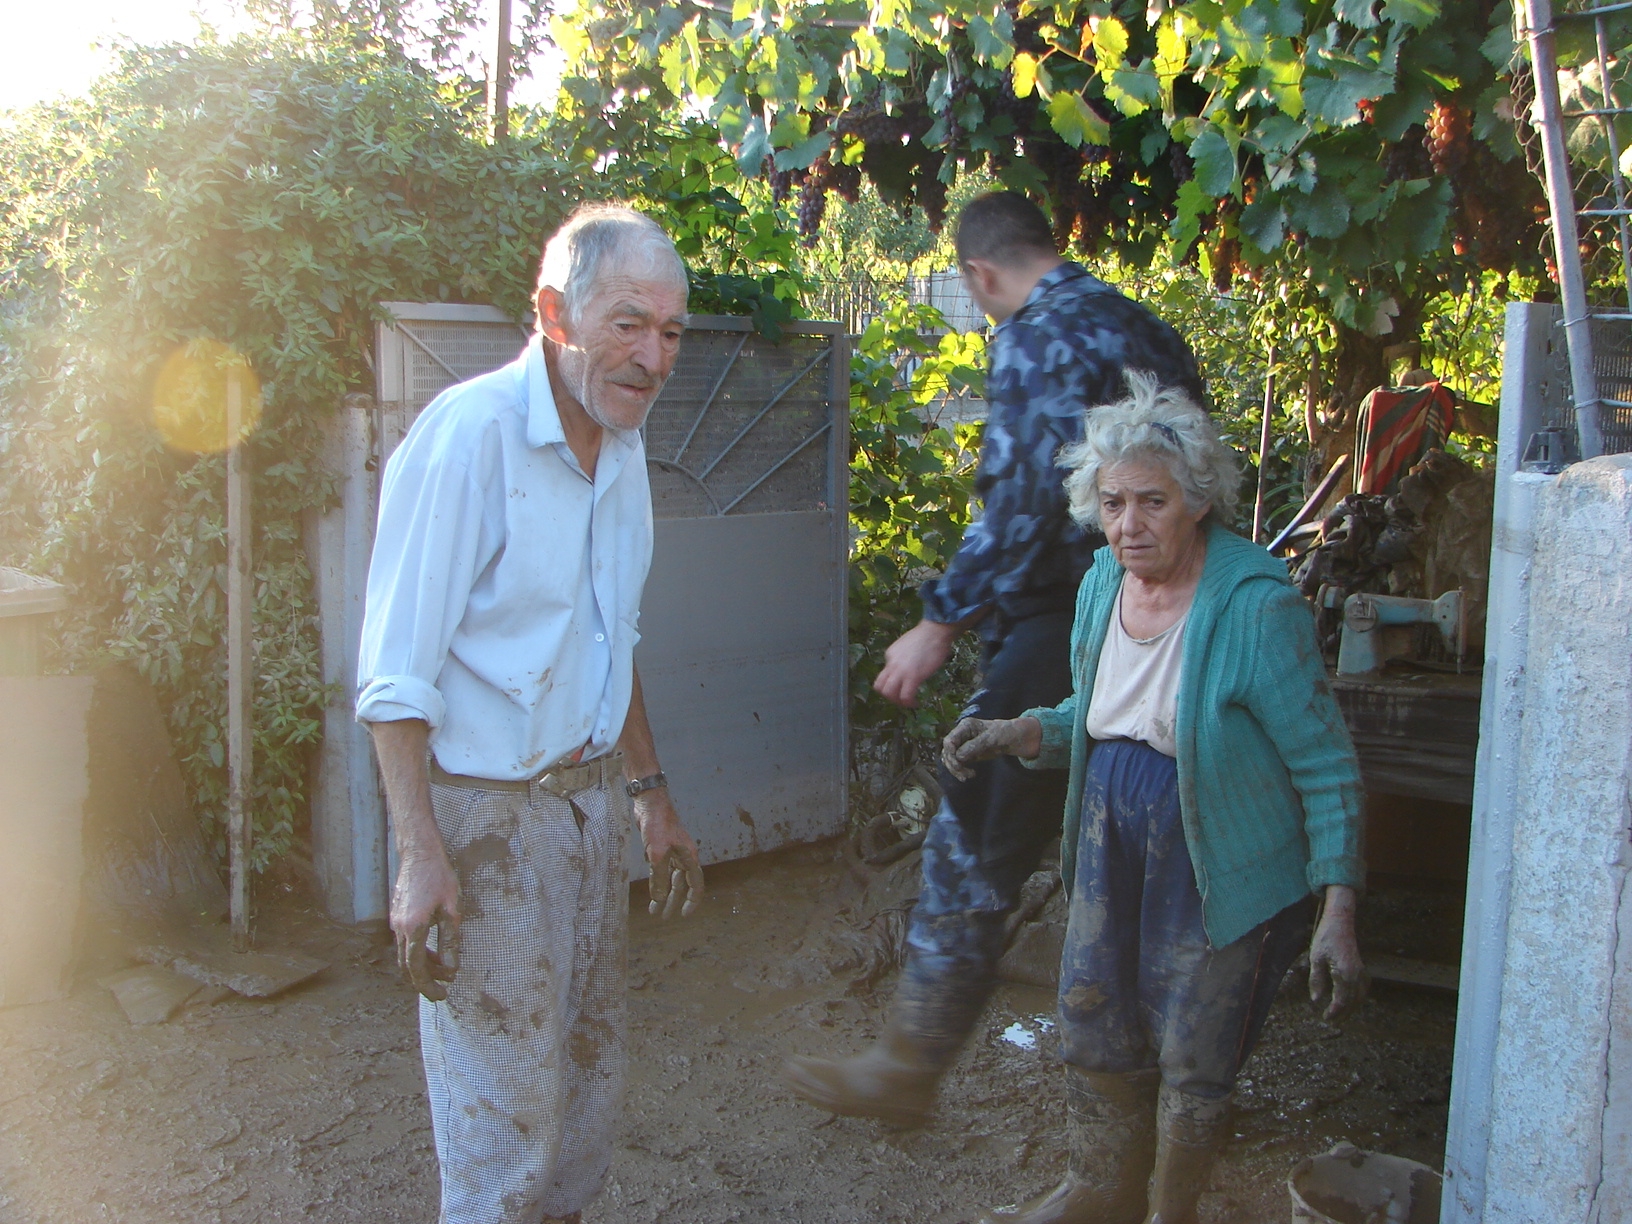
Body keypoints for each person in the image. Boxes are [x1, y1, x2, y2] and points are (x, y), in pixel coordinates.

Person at [784, 192, 1204, 1128]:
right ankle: (1176, 1098)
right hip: (1176, 623)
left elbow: (1021, 505)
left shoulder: (1034, 337)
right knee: (1142, 852)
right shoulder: (1144, 327)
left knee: (975, 830)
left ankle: (908, 1067)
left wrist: (938, 622)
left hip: (1066, 625)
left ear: (980, 276)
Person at [942, 373, 1367, 1224]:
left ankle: (1170, 1211)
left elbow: (1326, 763)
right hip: (1110, 834)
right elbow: (1101, 715)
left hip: (1214, 850)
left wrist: (1338, 910)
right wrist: (1021, 731)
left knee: (1194, 1044)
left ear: (1198, 501)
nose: (1129, 525)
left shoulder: (1255, 606)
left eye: (1152, 503)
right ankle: (1097, 1188)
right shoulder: (1103, 584)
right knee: (1095, 1012)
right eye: (1113, 503)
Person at [355, 203, 706, 1224]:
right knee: (501, 1126)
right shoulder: (466, 440)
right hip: (486, 822)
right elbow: (394, 677)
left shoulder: (625, 446)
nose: (654, 357)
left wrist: (651, 798)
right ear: (554, 313)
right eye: (628, 323)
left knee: (586, 1096)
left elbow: (611, 640)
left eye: (672, 332)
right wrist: (422, 854)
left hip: (590, 810)